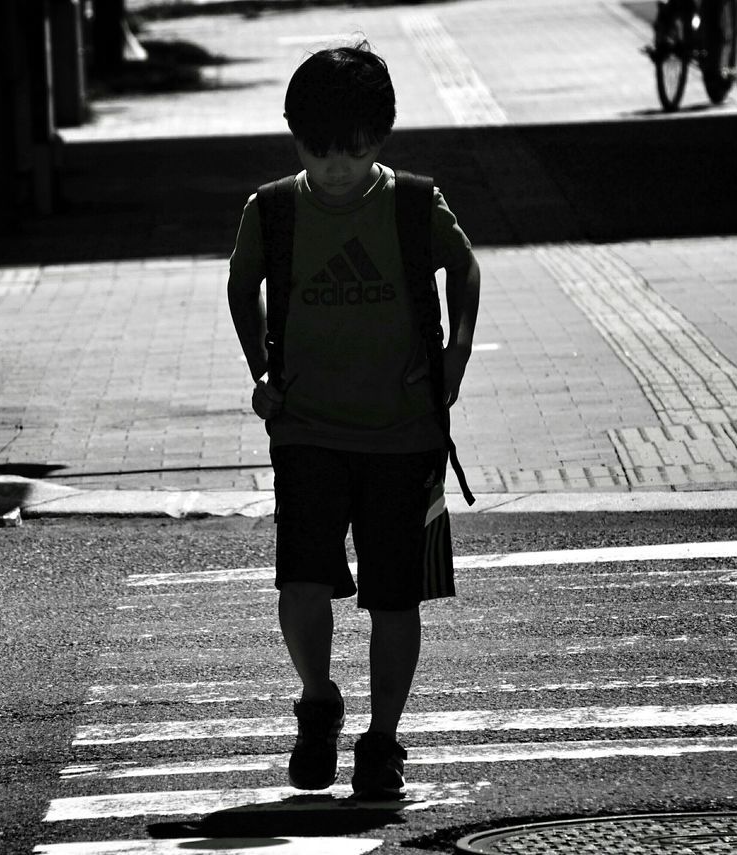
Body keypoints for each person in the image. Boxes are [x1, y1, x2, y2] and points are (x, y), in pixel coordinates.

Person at [226, 40, 481, 800]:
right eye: (319, 151)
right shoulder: (272, 210)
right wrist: (260, 372)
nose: (336, 167)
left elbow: (464, 270)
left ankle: (383, 741)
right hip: (306, 427)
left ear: (381, 140)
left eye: (354, 151)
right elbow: (243, 289)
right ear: (294, 138)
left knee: (394, 597)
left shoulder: (412, 202)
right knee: (302, 583)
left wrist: (455, 359)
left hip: (404, 433)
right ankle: (318, 699)